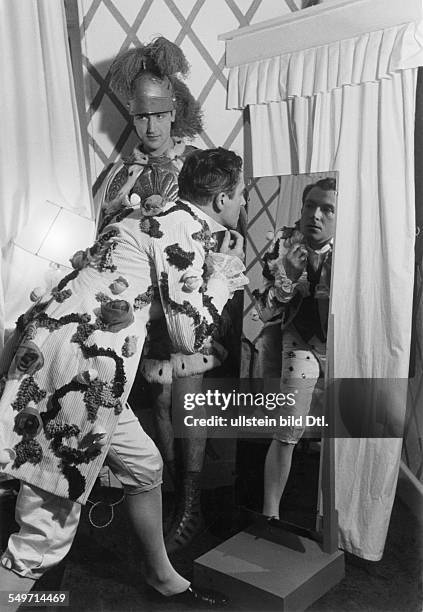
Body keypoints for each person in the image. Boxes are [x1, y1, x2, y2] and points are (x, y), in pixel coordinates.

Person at [0, 147, 247, 609]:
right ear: (220, 200)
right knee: (45, 530)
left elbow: (131, 292)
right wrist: (224, 281)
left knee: (144, 466)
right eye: (240, 196)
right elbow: (188, 334)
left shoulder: (140, 218)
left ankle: (162, 576)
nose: (243, 206)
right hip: (81, 371)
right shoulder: (187, 227)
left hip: (58, 353)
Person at [99, 38, 238, 551]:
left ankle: (194, 503)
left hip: (189, 309)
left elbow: (222, 237)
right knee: (156, 401)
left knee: (189, 396)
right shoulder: (118, 177)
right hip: (142, 322)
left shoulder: (200, 169)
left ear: (175, 110)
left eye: (159, 114)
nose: (150, 127)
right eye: (140, 117)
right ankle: (168, 497)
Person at [253, 177, 336, 519]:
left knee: (346, 430)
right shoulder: (284, 243)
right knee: (287, 430)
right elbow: (264, 311)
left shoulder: (359, 248)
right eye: (309, 205)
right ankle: (269, 514)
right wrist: (287, 275)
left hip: (344, 343)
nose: (315, 215)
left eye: (326, 209)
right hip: (299, 340)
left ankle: (331, 517)